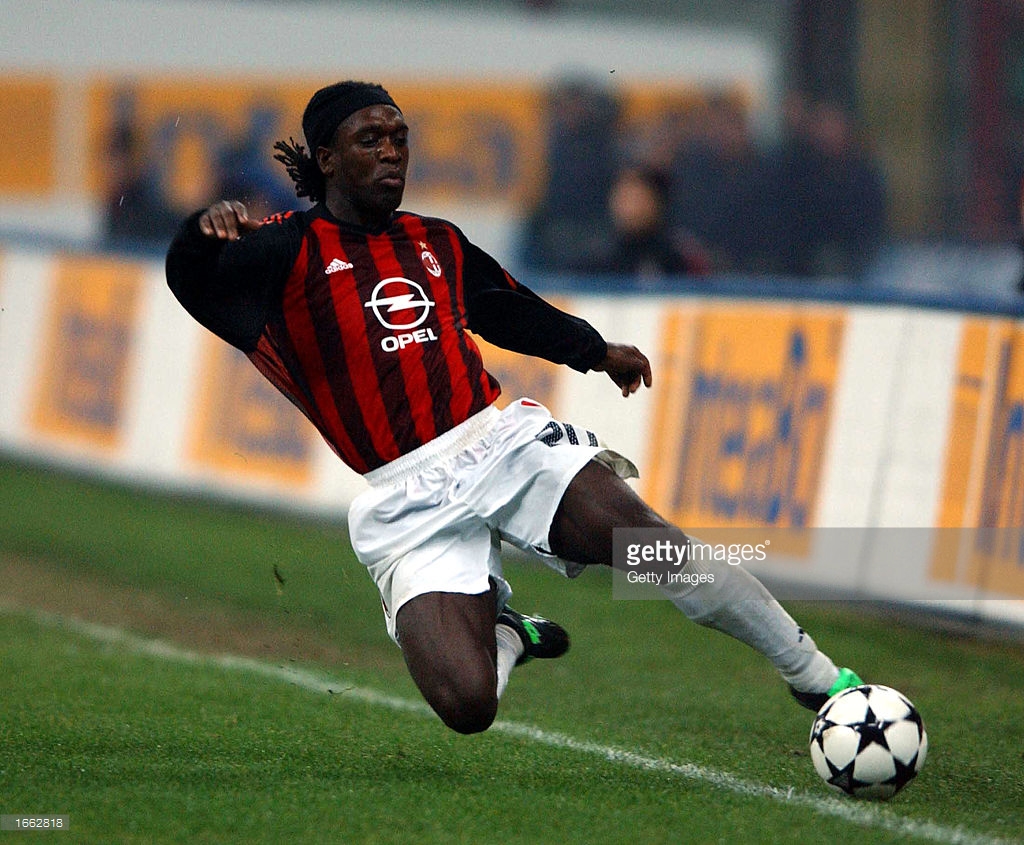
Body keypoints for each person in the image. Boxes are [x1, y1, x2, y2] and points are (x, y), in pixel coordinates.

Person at [166, 80, 861, 735]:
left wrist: (595, 350)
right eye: (369, 139)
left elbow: (506, 308)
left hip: (497, 445)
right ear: (326, 158)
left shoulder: (435, 240)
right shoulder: (280, 250)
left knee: (652, 546)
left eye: (399, 137)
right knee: (468, 706)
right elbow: (192, 282)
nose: (391, 152)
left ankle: (819, 678)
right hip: (404, 499)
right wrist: (200, 232)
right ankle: (508, 633)